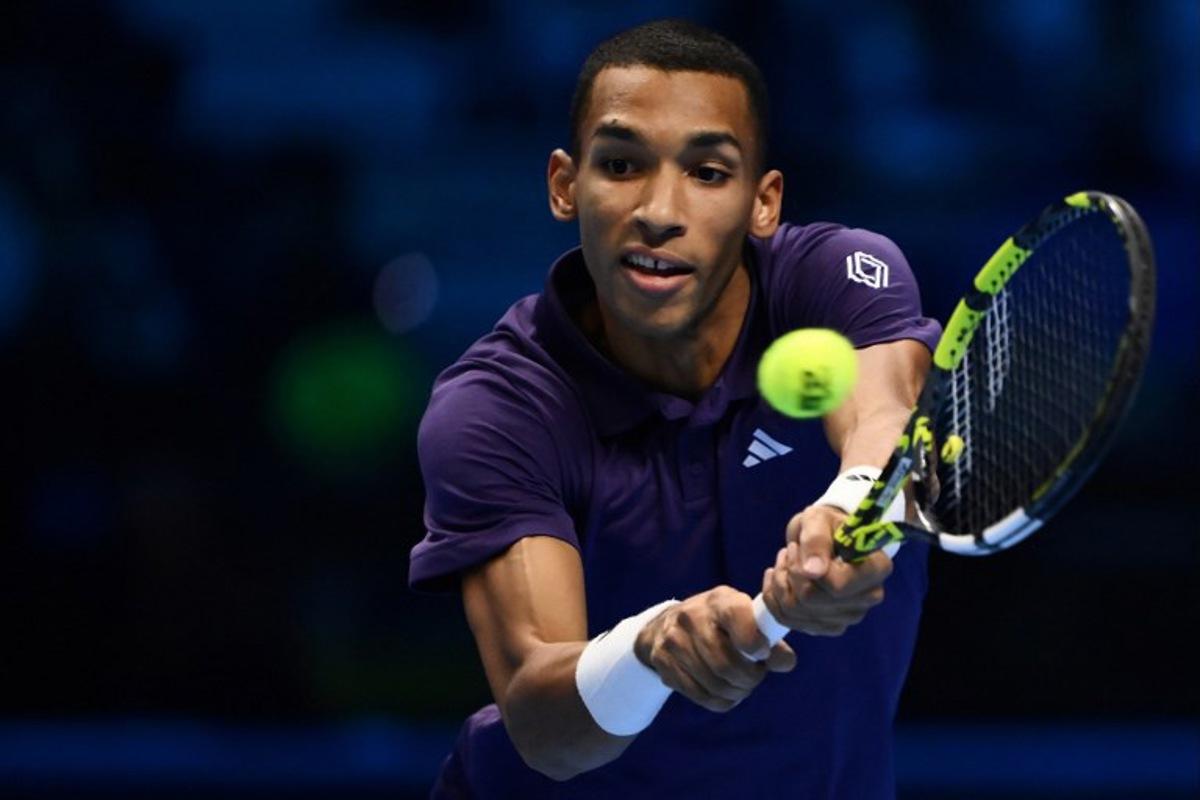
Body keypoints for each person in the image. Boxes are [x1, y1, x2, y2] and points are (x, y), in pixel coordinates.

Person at [409, 19, 941, 799]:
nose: (660, 209)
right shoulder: (498, 407)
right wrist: (649, 649)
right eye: (621, 164)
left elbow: (885, 421)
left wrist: (847, 512)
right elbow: (543, 725)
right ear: (565, 184)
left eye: (708, 172)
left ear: (765, 202)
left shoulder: (835, 279)